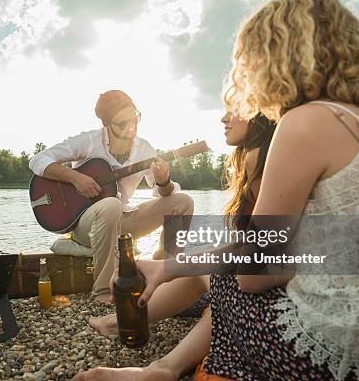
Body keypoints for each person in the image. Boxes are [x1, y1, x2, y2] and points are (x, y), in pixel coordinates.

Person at [75, 0, 359, 380]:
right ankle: (160, 362)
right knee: (221, 256)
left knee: (227, 275)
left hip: (341, 363)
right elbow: (336, 251)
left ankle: (166, 369)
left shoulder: (305, 122)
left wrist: (171, 266)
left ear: (272, 58)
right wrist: (175, 264)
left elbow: (256, 272)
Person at [86, 113, 276, 381]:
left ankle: (153, 358)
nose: (223, 117)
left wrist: (172, 266)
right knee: (207, 269)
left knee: (214, 274)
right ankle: (127, 332)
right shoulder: (259, 157)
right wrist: (173, 266)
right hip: (279, 276)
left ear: (260, 113)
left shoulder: (263, 159)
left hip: (278, 294)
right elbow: (260, 247)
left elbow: (256, 261)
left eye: (235, 106)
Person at [29, 90, 194, 303]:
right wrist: (75, 178)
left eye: (134, 119)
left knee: (184, 202)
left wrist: (164, 181)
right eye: (122, 124)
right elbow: (38, 160)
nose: (131, 127)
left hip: (122, 221)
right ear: (107, 124)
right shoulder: (88, 141)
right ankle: (102, 291)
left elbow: (162, 193)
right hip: (86, 225)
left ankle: (164, 270)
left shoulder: (145, 149)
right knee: (111, 205)